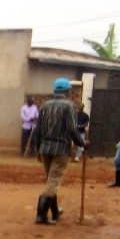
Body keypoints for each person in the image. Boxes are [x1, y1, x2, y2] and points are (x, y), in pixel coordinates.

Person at [32, 78, 86, 224]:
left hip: (45, 149)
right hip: (61, 149)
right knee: (53, 182)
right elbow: (72, 129)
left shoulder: (44, 106)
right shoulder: (69, 106)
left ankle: (55, 211)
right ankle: (41, 215)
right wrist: (82, 144)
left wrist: (38, 150)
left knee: (51, 180)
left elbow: (38, 130)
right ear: (67, 91)